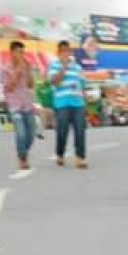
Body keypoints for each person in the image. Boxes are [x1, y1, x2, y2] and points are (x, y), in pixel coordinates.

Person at [48, 40, 88, 169]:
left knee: (80, 131)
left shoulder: (77, 67)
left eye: (68, 51)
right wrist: (64, 68)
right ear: (58, 52)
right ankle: (60, 154)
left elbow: (83, 84)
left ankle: (80, 158)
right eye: (63, 51)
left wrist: (85, 101)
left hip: (78, 103)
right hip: (62, 103)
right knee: (62, 131)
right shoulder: (54, 65)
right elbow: (55, 82)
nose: (66, 53)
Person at [1, 40, 38, 172]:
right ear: (12, 53)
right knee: (21, 133)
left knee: (32, 132)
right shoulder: (5, 69)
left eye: (23, 52)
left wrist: (28, 71)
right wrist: (17, 70)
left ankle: (23, 153)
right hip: (14, 105)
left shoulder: (26, 66)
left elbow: (31, 85)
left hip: (27, 104)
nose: (22, 55)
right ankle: (22, 158)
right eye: (19, 52)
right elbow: (9, 87)